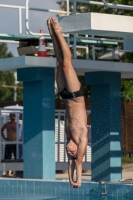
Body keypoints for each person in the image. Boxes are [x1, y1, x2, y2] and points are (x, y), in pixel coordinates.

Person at [47, 18, 88, 187]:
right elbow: (77, 163)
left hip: (65, 96)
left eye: (68, 153)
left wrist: (69, 178)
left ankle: (52, 35)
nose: (69, 151)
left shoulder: (69, 136)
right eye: (73, 152)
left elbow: (71, 163)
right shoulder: (81, 138)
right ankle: (59, 32)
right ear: (77, 150)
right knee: (66, 64)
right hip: (75, 96)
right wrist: (76, 181)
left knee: (58, 64)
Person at [1, 112, 17, 177]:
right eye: (11, 115)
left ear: (15, 116)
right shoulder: (7, 124)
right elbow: (1, 130)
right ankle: (7, 173)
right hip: (9, 142)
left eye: (13, 115)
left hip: (16, 143)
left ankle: (15, 173)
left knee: (16, 158)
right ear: (9, 117)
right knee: (7, 158)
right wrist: (4, 138)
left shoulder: (17, 124)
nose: (12, 116)